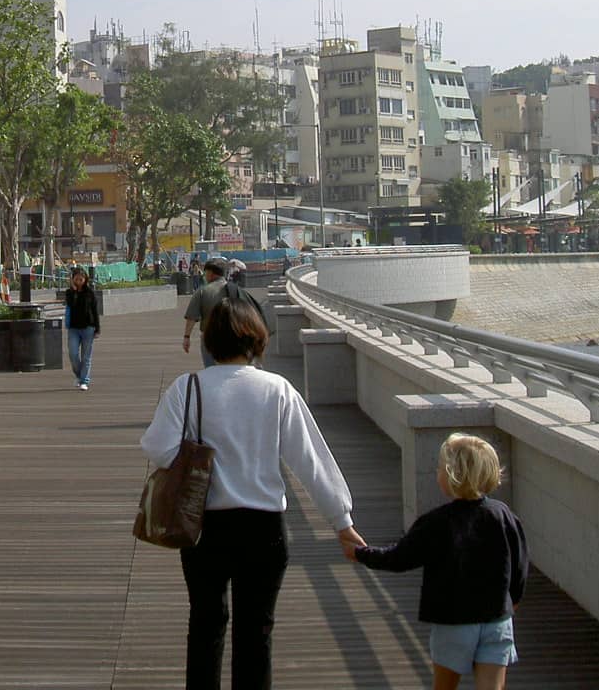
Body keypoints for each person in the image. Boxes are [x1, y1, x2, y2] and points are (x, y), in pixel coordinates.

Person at [143, 297, 364, 690]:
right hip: (263, 528)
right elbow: (310, 460)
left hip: (204, 526)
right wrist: (341, 522)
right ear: (257, 339)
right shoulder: (276, 389)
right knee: (256, 634)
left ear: (210, 341)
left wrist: (201, 452)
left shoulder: (188, 388)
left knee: (206, 625)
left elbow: (158, 447)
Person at [346, 433, 529, 690]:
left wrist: (360, 553)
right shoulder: (504, 515)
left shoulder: (436, 522)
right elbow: (520, 566)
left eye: (441, 468)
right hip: (497, 620)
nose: (437, 472)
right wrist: (511, 601)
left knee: (445, 686)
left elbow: (400, 558)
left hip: (453, 620)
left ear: (453, 475)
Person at [182, 258, 231, 367]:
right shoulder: (235, 290)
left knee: (211, 370)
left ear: (211, 273)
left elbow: (191, 317)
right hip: (233, 336)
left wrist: (187, 337)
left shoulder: (203, 291)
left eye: (206, 272)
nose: (204, 275)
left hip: (209, 337)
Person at [63, 266, 100, 391]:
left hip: (88, 328)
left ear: (85, 279)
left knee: (86, 357)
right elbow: (71, 304)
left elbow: (95, 311)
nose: (79, 281)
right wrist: (74, 291)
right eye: (77, 279)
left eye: (81, 279)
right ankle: (79, 375)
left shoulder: (90, 293)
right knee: (73, 354)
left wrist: (97, 328)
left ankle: (84, 380)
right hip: (73, 328)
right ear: (72, 279)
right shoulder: (69, 293)